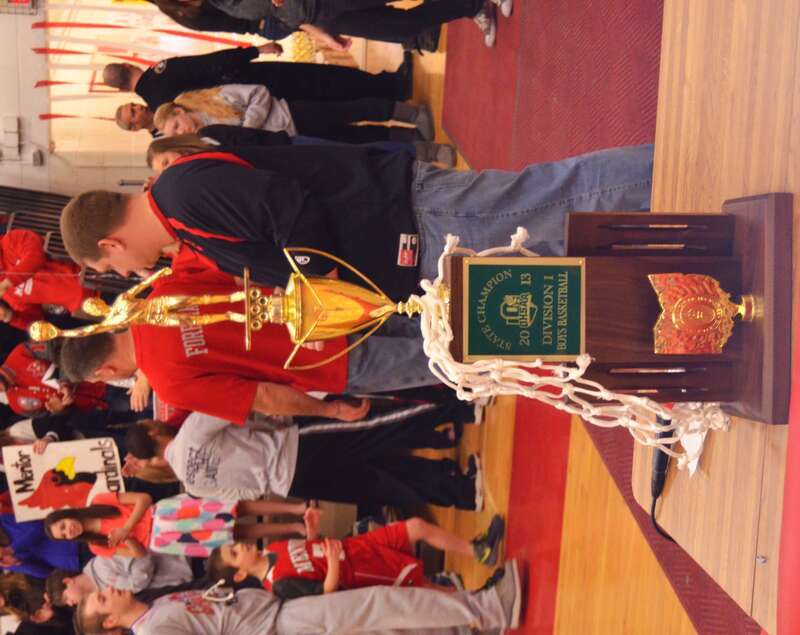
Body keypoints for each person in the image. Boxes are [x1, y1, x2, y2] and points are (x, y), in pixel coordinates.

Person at [58, 144, 653, 396]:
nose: (128, 274)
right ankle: (673, 271)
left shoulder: (183, 196)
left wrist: (319, 286)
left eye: (110, 267)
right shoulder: (185, 225)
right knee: (555, 243)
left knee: (552, 199)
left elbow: (289, 207)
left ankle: (681, 166)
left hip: (405, 216)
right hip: (404, 249)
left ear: (110, 244)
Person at [122, 402, 483, 510]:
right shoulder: (191, 431)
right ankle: (458, 409)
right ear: (154, 430)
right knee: (378, 427)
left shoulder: (193, 485)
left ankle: (462, 493)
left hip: (292, 482)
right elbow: (242, 403)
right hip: (297, 447)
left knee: (381, 483)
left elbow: (242, 498)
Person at [75, 559, 521, 634]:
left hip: (278, 618)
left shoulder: (154, 608)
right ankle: (487, 608)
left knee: (386, 621)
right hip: (280, 626)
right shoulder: (153, 628)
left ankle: (475, 620)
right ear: (110, 623)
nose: (107, 591)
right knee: (382, 604)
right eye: (101, 602)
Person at [208, 513, 505, 598]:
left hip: (356, 546)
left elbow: (312, 553)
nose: (243, 546)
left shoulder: (272, 549)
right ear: (239, 574)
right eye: (235, 553)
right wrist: (335, 562)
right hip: (360, 571)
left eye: (235, 544)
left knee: (415, 526)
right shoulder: (279, 585)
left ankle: (478, 551)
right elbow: (325, 592)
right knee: (427, 588)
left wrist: (312, 531)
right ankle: (481, 598)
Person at [102, 43, 413, 112]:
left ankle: (387, 96)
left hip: (250, 108)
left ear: (121, 92)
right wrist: (252, 51)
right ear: (128, 65)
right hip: (253, 80)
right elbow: (207, 64)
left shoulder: (158, 108)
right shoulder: (160, 73)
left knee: (327, 100)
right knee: (326, 80)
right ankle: (391, 85)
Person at [45, 490, 317, 559]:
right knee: (238, 534)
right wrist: (126, 539)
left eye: (64, 526)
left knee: (237, 509)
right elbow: (140, 555)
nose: (70, 531)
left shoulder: (100, 500)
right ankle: (295, 529)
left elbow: (143, 498)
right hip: (163, 542)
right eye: (65, 535)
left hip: (164, 514)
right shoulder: (97, 548)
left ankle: (296, 508)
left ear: (67, 515)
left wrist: (127, 526)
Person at [150, 86, 434, 145]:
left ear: (179, 111)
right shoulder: (207, 139)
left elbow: (259, 93)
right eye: (174, 134)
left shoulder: (215, 98)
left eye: (175, 126)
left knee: (354, 109)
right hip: (292, 137)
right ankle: (410, 137)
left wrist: (249, 127)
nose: (179, 132)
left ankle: (411, 113)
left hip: (292, 113)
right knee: (354, 137)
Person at [206, 0, 500, 49]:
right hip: (321, 16)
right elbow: (281, 18)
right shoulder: (217, 7)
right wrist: (325, 37)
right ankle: (471, 4)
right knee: (402, 28)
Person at [0, 228, 96, 322]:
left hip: (92, 275)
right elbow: (37, 320)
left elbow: (36, 256)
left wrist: (8, 282)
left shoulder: (10, 241)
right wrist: (8, 316)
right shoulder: (6, 293)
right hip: (85, 307)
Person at [45, 550, 193, 607]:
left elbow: (142, 557)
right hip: (189, 589)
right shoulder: (102, 600)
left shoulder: (102, 561)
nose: (71, 604)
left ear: (68, 581)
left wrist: (134, 586)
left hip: (186, 560)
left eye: (66, 599)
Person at [0, 342, 108, 418]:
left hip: (101, 372)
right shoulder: (17, 406)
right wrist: (59, 410)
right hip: (95, 408)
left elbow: (62, 350)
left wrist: (65, 383)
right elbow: (54, 418)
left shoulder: (21, 352)